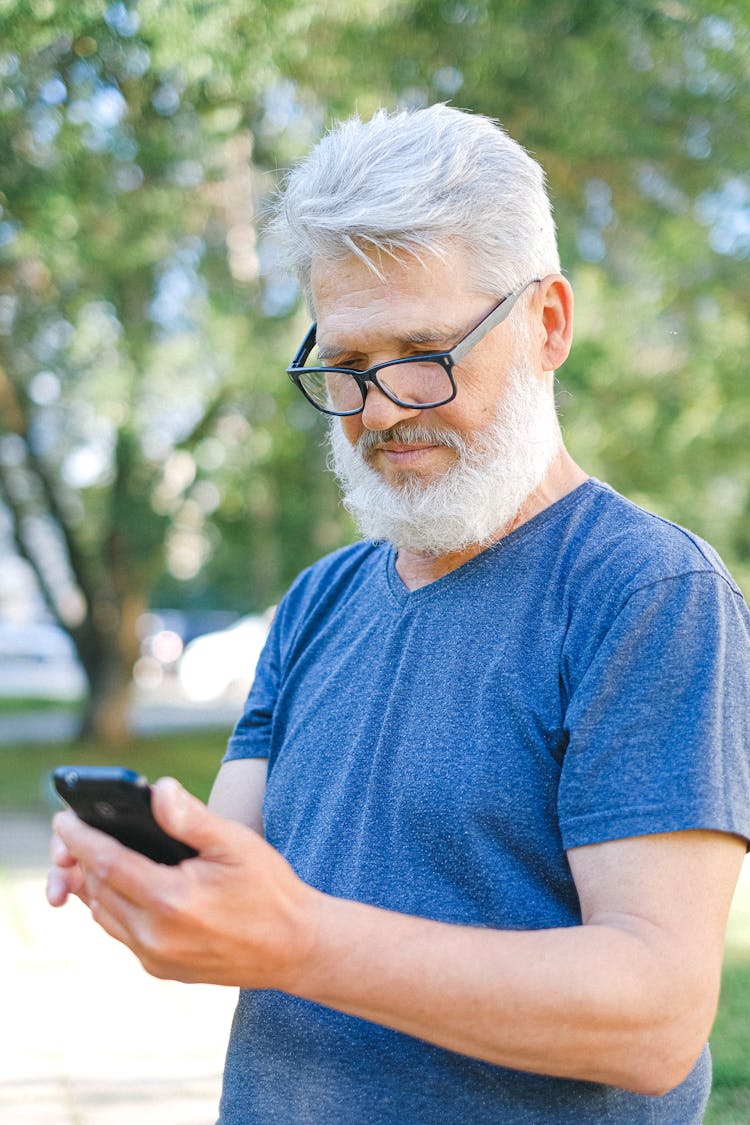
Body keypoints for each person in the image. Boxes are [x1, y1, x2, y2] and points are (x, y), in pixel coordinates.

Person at [48, 104, 750, 1124]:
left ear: (548, 323)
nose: (379, 409)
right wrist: (151, 880)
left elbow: (653, 1020)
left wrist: (301, 939)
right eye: (345, 365)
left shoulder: (645, 594)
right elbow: (235, 901)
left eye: (424, 352)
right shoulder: (319, 601)